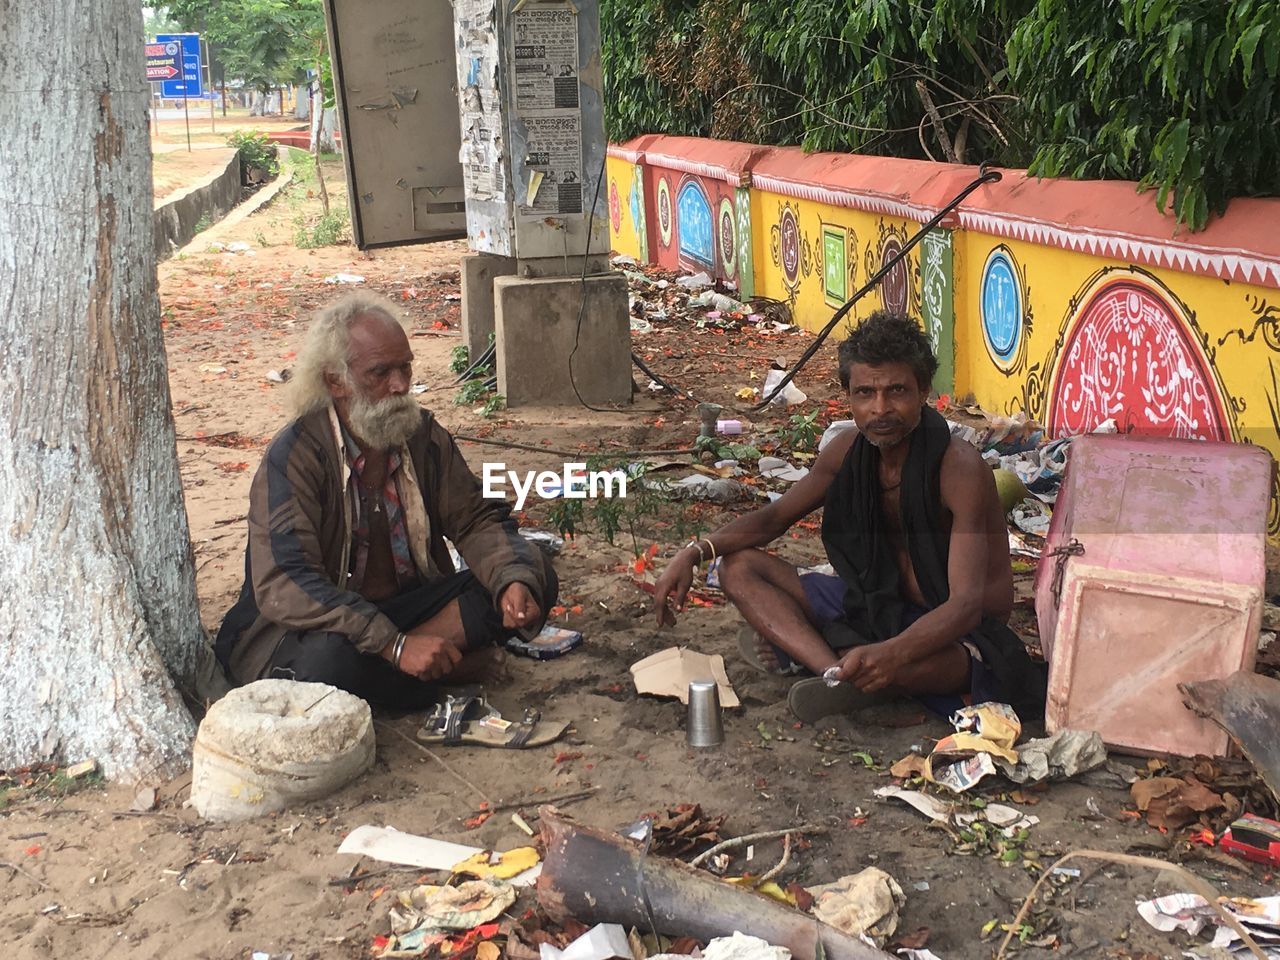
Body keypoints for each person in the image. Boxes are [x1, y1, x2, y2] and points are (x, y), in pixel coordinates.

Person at [652, 311, 1044, 722]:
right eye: (865, 393)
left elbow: (965, 606)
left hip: (956, 632)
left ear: (924, 390)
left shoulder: (958, 468)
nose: (881, 409)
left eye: (897, 391)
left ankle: (849, 663)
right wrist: (694, 552)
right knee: (737, 566)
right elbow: (774, 519)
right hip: (875, 606)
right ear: (848, 395)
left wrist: (892, 654)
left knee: (939, 664)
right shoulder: (845, 452)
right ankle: (835, 675)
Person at [216, 292, 557, 709]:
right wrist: (394, 646)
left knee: (533, 570)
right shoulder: (295, 457)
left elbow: (476, 519)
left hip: (406, 614)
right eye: (380, 373)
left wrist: (511, 579)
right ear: (335, 381)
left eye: (405, 368)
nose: (399, 386)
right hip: (322, 627)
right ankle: (436, 670)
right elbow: (286, 583)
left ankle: (414, 671)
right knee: (330, 666)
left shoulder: (421, 435)